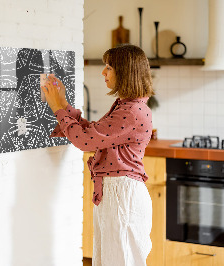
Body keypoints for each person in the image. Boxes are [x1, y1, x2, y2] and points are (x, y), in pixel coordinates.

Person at [42, 44, 154, 266]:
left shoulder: (131, 111)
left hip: (122, 195)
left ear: (125, 72)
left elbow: (85, 141)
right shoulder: (127, 106)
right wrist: (63, 104)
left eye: (109, 67)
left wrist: (57, 108)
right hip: (117, 193)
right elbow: (93, 133)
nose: (103, 72)